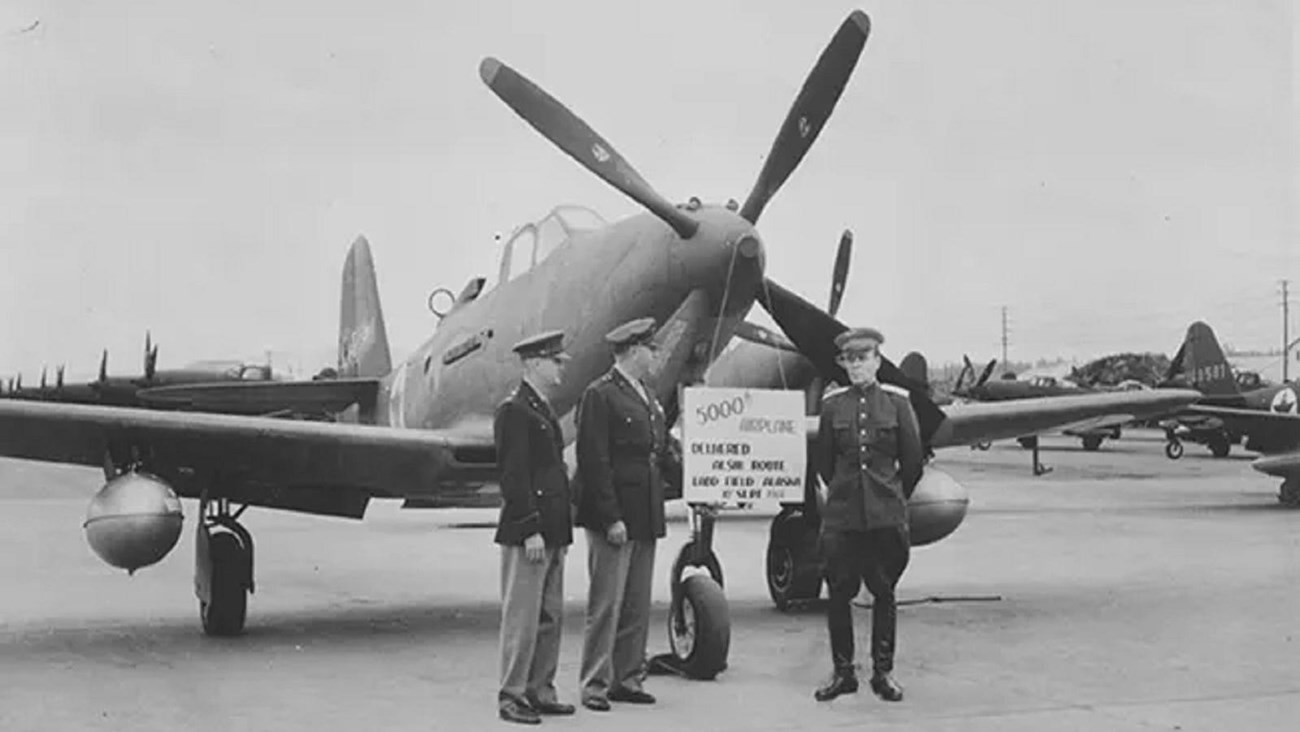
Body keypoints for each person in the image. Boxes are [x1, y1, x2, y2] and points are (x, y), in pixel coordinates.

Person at [813, 327, 924, 703]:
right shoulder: (832, 405)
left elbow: (912, 462)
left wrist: (891, 498)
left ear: (877, 361)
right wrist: (846, 494)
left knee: (884, 592)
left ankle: (883, 672)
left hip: (884, 516)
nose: (857, 366)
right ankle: (843, 673)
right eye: (850, 359)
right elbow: (825, 463)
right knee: (839, 594)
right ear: (843, 364)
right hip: (843, 518)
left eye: (864, 358)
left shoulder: (898, 403)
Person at [573, 317, 668, 712]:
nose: (655, 355)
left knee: (636, 602)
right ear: (631, 351)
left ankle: (627, 678)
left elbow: (657, 452)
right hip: (614, 516)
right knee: (606, 603)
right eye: (651, 348)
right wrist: (610, 517)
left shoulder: (646, 394)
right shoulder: (601, 394)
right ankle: (595, 683)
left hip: (644, 512)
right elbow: (593, 460)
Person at [494, 329, 576, 725]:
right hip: (531, 533)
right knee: (522, 620)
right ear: (533, 364)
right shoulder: (514, 410)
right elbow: (514, 476)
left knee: (549, 617)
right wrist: (529, 529)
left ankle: (540, 690)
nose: (561, 367)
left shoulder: (541, 408)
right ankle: (511, 696)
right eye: (555, 361)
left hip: (553, 532)